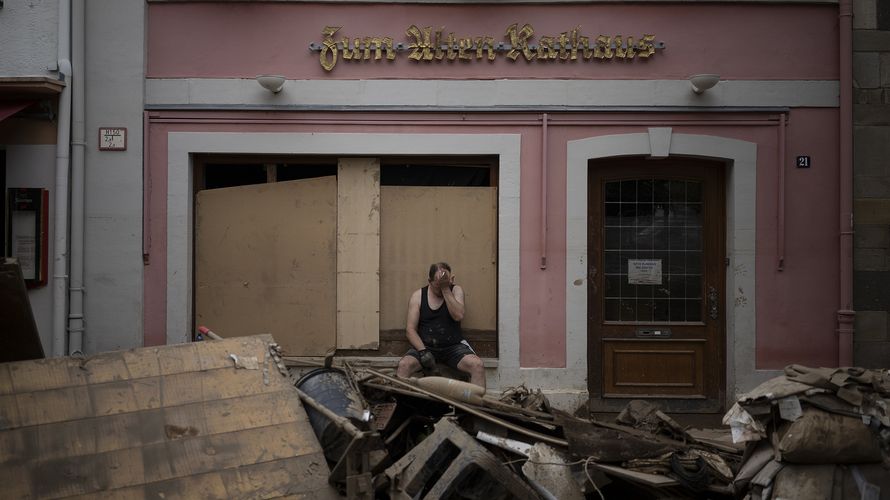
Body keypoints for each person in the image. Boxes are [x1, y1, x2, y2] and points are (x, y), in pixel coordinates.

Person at [396, 262, 486, 389]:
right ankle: (400, 405)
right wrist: (423, 352)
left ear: (452, 279)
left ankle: (476, 406)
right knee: (404, 365)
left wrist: (445, 289)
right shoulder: (418, 296)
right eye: (438, 286)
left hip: (453, 347)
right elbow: (410, 330)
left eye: (446, 283)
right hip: (426, 347)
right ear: (429, 281)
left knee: (477, 366)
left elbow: (458, 316)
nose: (440, 289)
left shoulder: (455, 290)